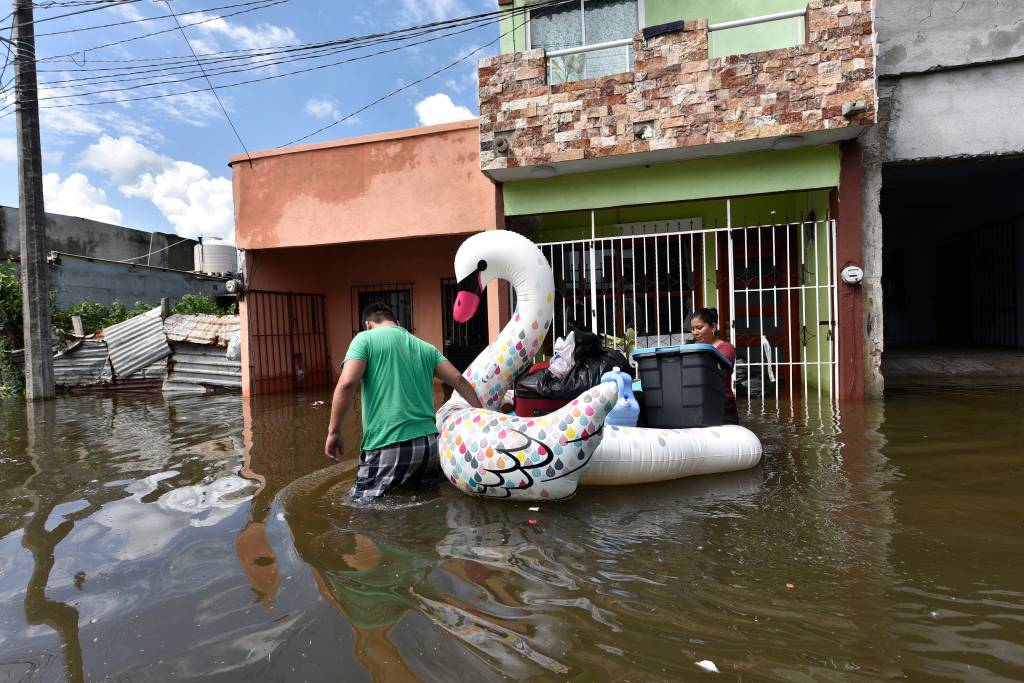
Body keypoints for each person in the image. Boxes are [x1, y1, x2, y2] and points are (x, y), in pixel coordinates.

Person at [324, 302, 483, 499]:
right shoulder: (426, 347)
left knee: (360, 510)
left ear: (368, 324)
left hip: (389, 445)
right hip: (429, 448)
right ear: (397, 323)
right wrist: (482, 413)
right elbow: (459, 380)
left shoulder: (364, 339)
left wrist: (334, 431)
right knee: (423, 502)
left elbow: (347, 384)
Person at [690, 307, 740, 425]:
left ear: (713, 327)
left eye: (699, 328)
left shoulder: (725, 348)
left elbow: (710, 369)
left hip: (722, 406)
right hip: (698, 405)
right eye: (692, 329)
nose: (695, 333)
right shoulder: (692, 348)